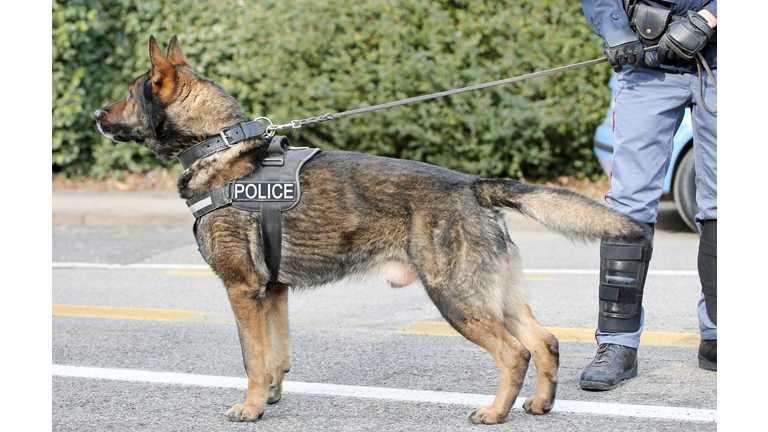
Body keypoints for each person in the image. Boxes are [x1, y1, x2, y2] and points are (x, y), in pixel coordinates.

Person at [578, 0, 717, 390]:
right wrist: (615, 28)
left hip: (724, 58)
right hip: (648, 63)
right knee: (628, 208)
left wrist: (711, 17)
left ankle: (720, 334)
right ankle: (618, 344)